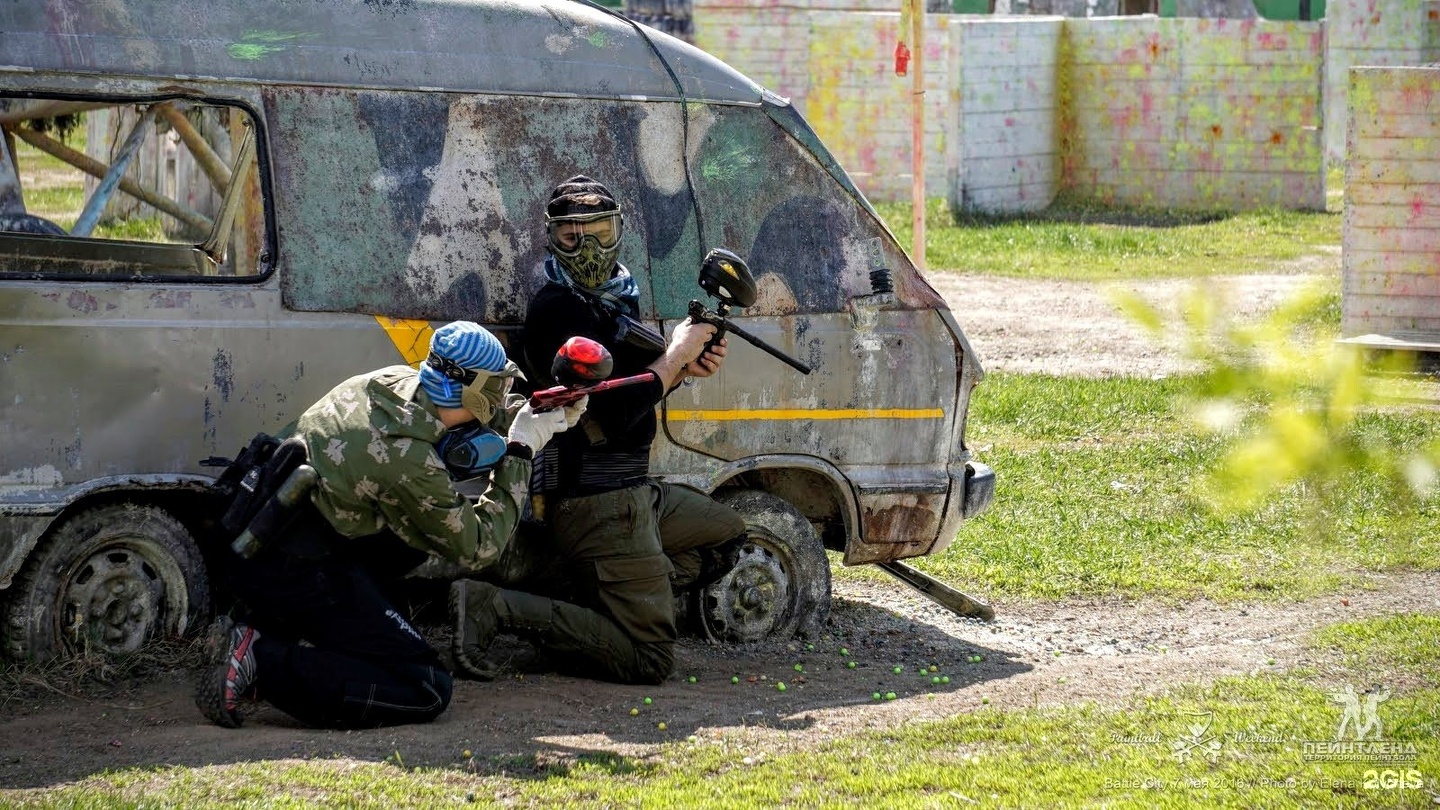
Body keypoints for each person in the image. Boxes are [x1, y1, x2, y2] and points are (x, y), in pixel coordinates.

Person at [195, 321, 583, 729]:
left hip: (267, 536)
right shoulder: (406, 460)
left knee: (413, 540)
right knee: (425, 688)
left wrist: (532, 413)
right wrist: (521, 449)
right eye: (495, 389)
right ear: (471, 391)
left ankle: (267, 623)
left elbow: (460, 422)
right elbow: (478, 547)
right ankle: (258, 658)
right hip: (298, 565)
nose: (499, 399)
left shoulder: (393, 383)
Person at [450, 175, 747, 686]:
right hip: (594, 499)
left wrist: (681, 368)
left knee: (726, 537)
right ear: (552, 238)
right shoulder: (555, 310)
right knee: (652, 661)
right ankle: (498, 607)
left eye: (599, 231)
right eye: (570, 234)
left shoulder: (614, 299)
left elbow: (635, 393)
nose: (586, 245)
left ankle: (589, 597)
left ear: (619, 232)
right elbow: (608, 416)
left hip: (634, 492)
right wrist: (674, 356)